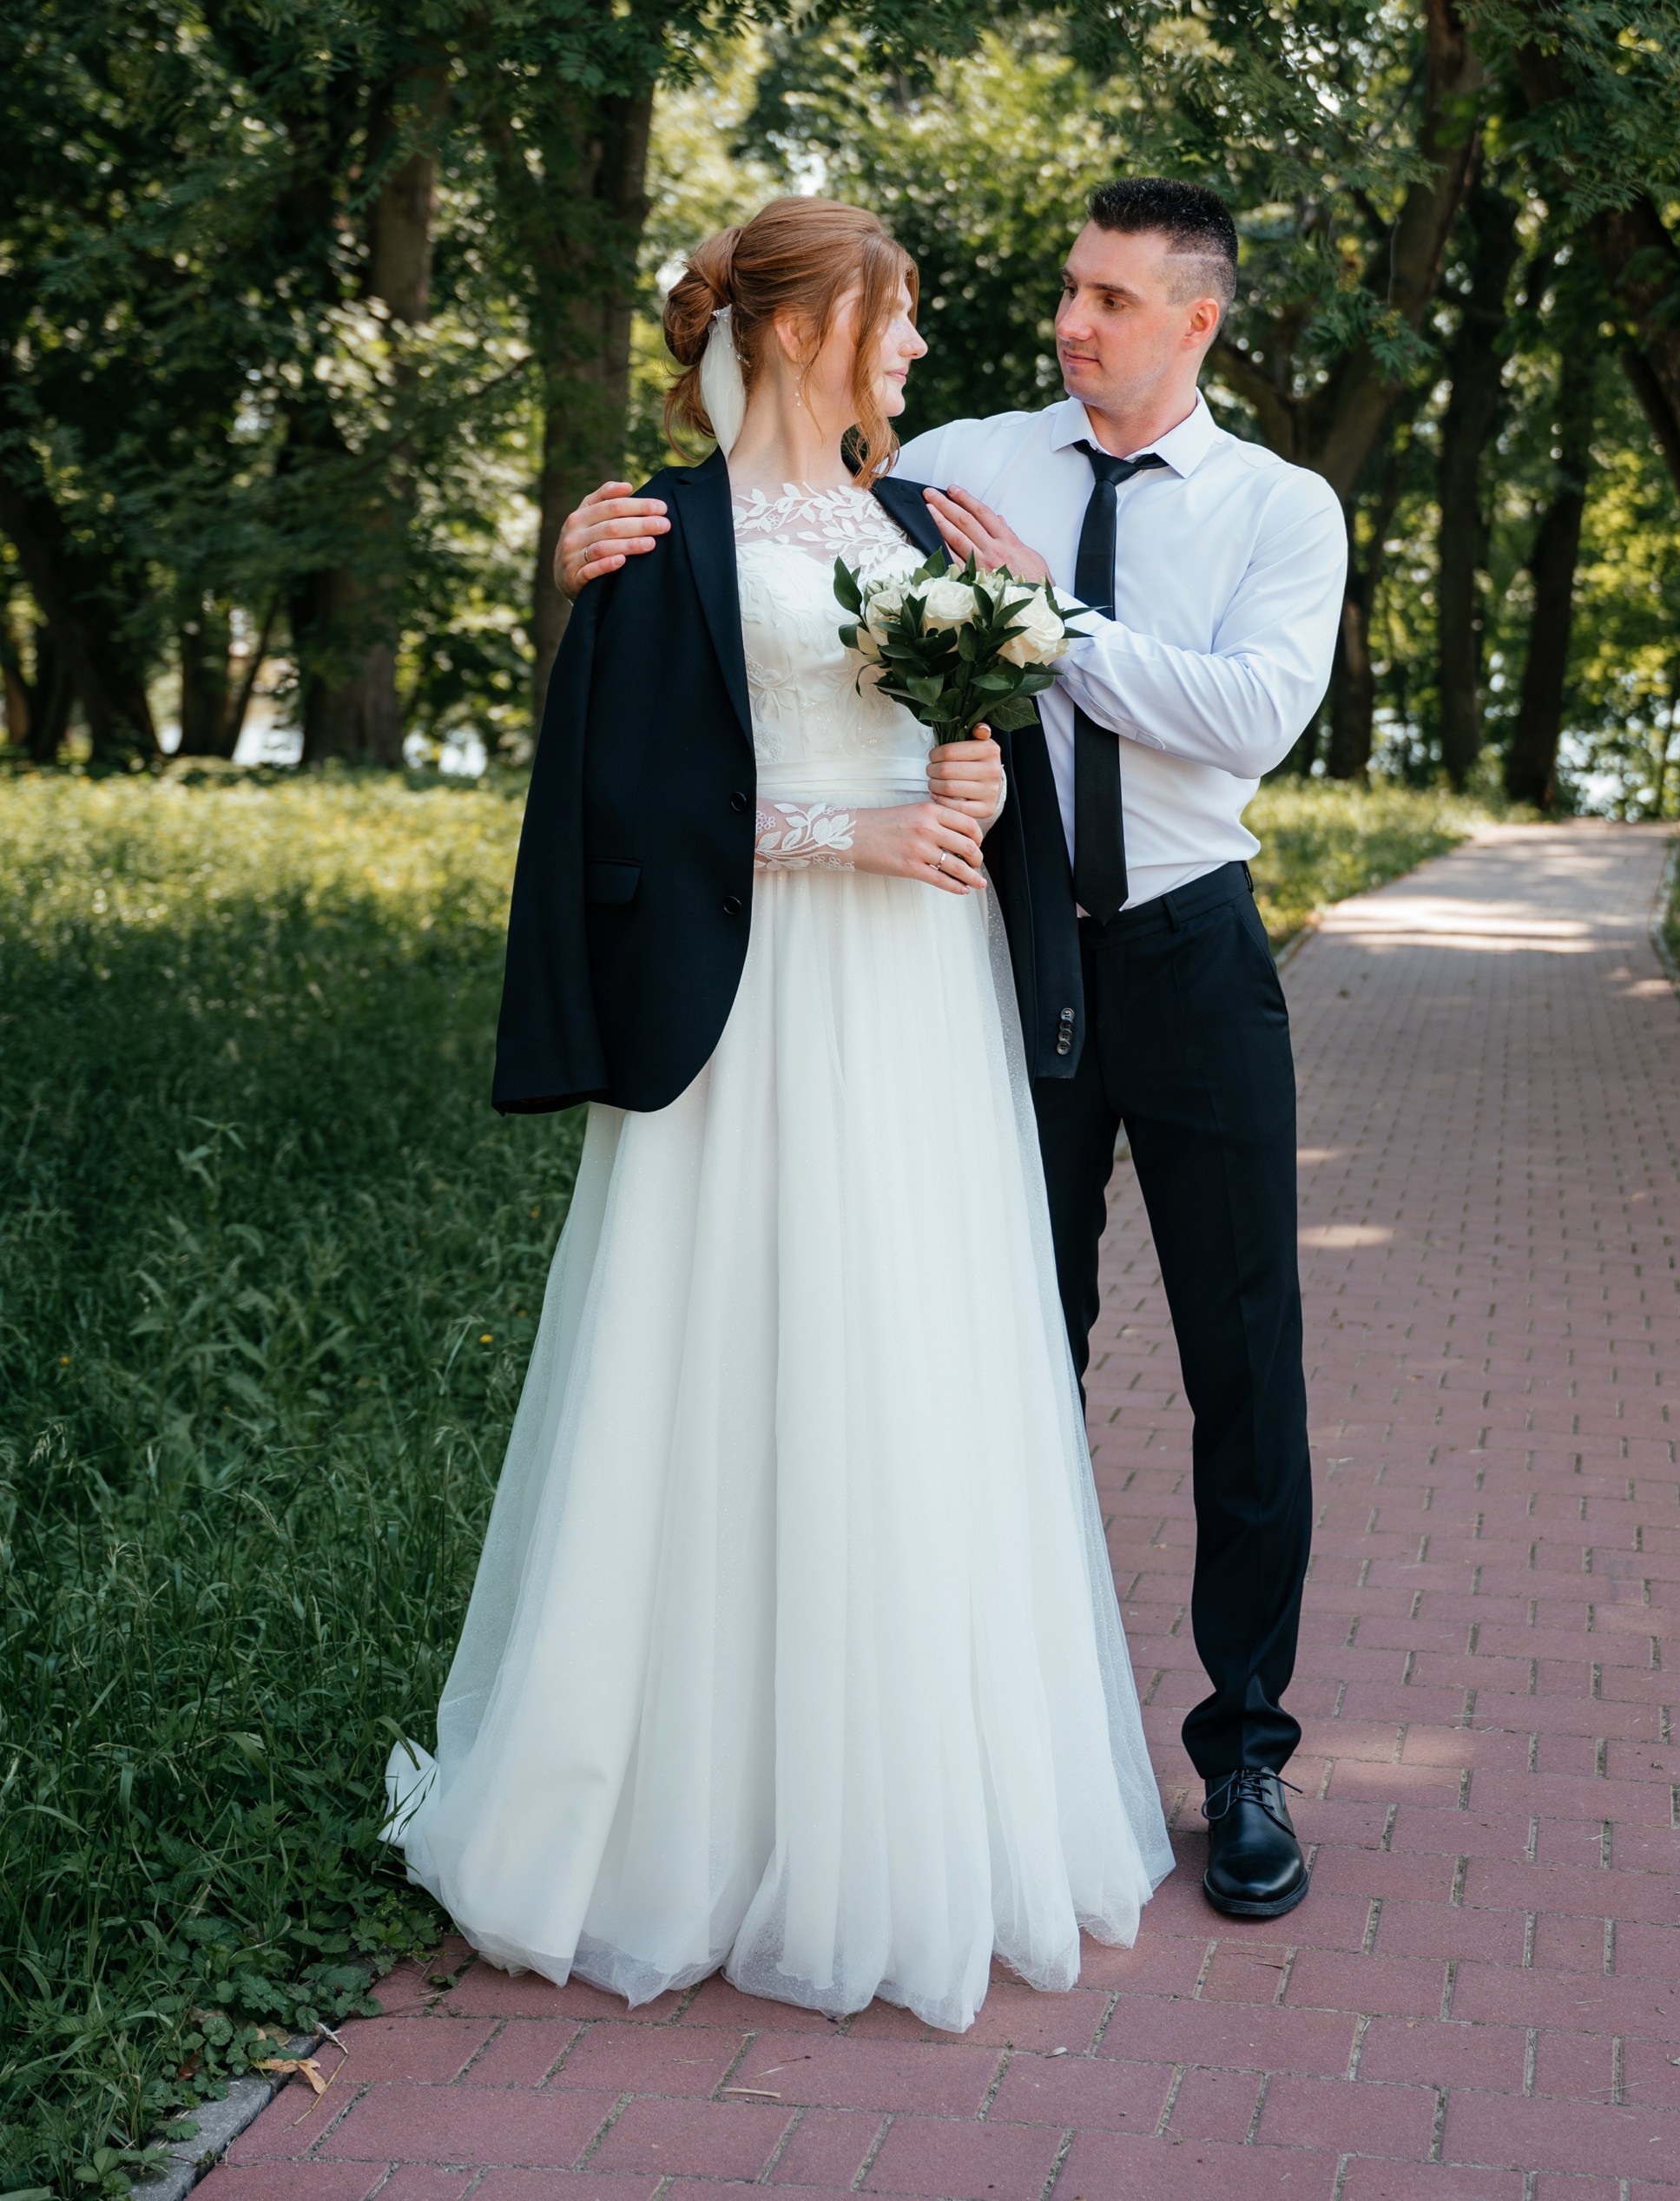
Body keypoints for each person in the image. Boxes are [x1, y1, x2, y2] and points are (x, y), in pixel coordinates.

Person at [387, 197, 1171, 2033]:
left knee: (906, 1355)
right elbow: (628, 810)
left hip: (915, 1003)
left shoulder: (920, 526)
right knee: (723, 1348)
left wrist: (971, 778)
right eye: (896, 317)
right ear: (809, 328)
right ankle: (680, 1808)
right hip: (749, 1002)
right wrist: (849, 833)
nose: (918, 348)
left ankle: (901, 1809)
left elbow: (976, 754)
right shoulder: (659, 535)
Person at [556, 180, 1347, 1920]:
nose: (1071, 323)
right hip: (996, 956)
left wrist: (1039, 626)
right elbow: (764, 546)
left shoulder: (1282, 508)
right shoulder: (956, 463)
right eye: (1070, 289)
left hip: (1192, 947)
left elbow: (1247, 716)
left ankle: (1247, 1751)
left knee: (1244, 1357)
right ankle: (973, 1726)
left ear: (1197, 320)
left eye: (1111, 300)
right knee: (992, 1338)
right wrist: (598, 551)